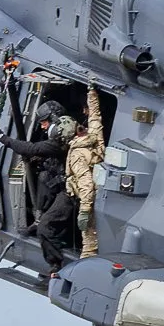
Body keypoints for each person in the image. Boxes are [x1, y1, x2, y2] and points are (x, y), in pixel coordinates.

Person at [0, 100, 74, 270]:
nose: (42, 127)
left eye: (44, 122)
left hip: (70, 192)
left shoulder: (60, 140)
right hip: (62, 183)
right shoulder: (65, 133)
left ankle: (56, 264)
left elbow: (32, 148)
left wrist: (1, 137)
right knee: (43, 176)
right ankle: (38, 218)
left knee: (44, 229)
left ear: (53, 119)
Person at [60, 86, 107, 259]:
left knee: (89, 247)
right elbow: (95, 116)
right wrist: (91, 93)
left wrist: (85, 211)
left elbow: (86, 183)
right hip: (101, 191)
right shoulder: (94, 136)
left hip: (90, 199)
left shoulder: (76, 155)